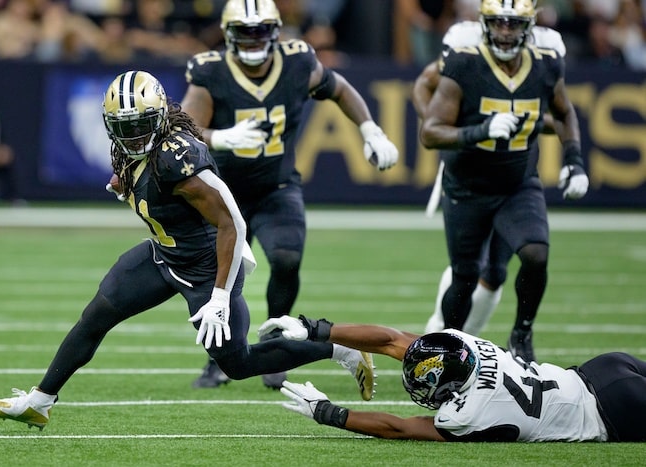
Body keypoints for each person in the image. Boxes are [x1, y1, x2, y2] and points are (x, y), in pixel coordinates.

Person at [0, 70, 375, 431]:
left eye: (140, 126)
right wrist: (125, 182)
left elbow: (232, 223)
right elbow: (136, 166)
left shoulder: (176, 158)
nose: (132, 137)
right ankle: (40, 402)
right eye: (123, 128)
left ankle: (338, 349)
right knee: (95, 317)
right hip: (163, 256)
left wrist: (220, 294)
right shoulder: (134, 147)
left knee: (237, 364)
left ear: (161, 117)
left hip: (206, 266)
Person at [180, 0, 398, 389]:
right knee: (223, 278)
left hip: (277, 186)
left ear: (277, 31)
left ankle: (275, 340)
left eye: (260, 31)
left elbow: (340, 89)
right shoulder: (212, 71)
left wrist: (370, 129)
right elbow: (188, 127)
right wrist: (220, 137)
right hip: (223, 194)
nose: (253, 40)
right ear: (228, 35)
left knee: (285, 258)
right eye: (244, 32)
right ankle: (220, 359)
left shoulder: (297, 62)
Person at [417, 0, 589, 362]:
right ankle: (448, 347)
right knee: (466, 275)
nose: (505, 31)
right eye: (498, 23)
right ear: (483, 23)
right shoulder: (464, 58)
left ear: (530, 25)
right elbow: (430, 130)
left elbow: (562, 111)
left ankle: (521, 333)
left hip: (517, 182)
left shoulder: (546, 59)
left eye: (513, 24)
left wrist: (573, 160)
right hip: (467, 185)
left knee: (535, 254)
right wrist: (477, 129)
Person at [258, 314, 646, 442]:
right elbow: (393, 341)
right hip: (605, 368)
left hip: (611, 412)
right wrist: (316, 328)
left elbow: (401, 428)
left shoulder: (466, 414)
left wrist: (329, 413)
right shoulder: (464, 346)